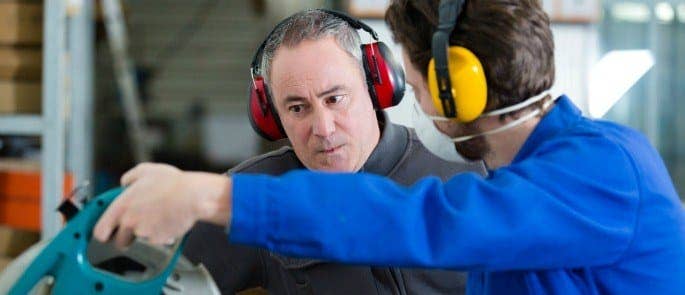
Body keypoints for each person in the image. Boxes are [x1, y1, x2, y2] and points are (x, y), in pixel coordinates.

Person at [94, 0, 685, 293]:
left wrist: (210, 195)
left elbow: (426, 222)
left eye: (412, 74)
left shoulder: (607, 172)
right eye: (298, 106)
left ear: (457, 86)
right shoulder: (530, 181)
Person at [185, 9, 487, 295]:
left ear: (376, 87)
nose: (323, 128)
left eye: (335, 99)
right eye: (297, 108)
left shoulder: (464, 166)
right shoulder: (254, 190)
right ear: (272, 117)